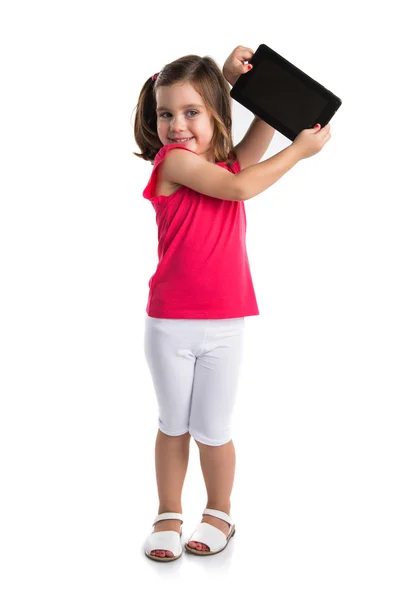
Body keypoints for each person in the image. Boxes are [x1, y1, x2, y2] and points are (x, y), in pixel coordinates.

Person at [131, 45, 331, 562]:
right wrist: (301, 152)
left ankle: (219, 510)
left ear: (214, 112)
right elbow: (241, 185)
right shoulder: (173, 161)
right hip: (170, 324)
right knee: (173, 424)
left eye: (190, 112)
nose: (176, 125)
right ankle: (168, 512)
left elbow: (248, 152)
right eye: (166, 113)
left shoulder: (217, 163)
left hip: (225, 324)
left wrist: (252, 90)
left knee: (214, 430)